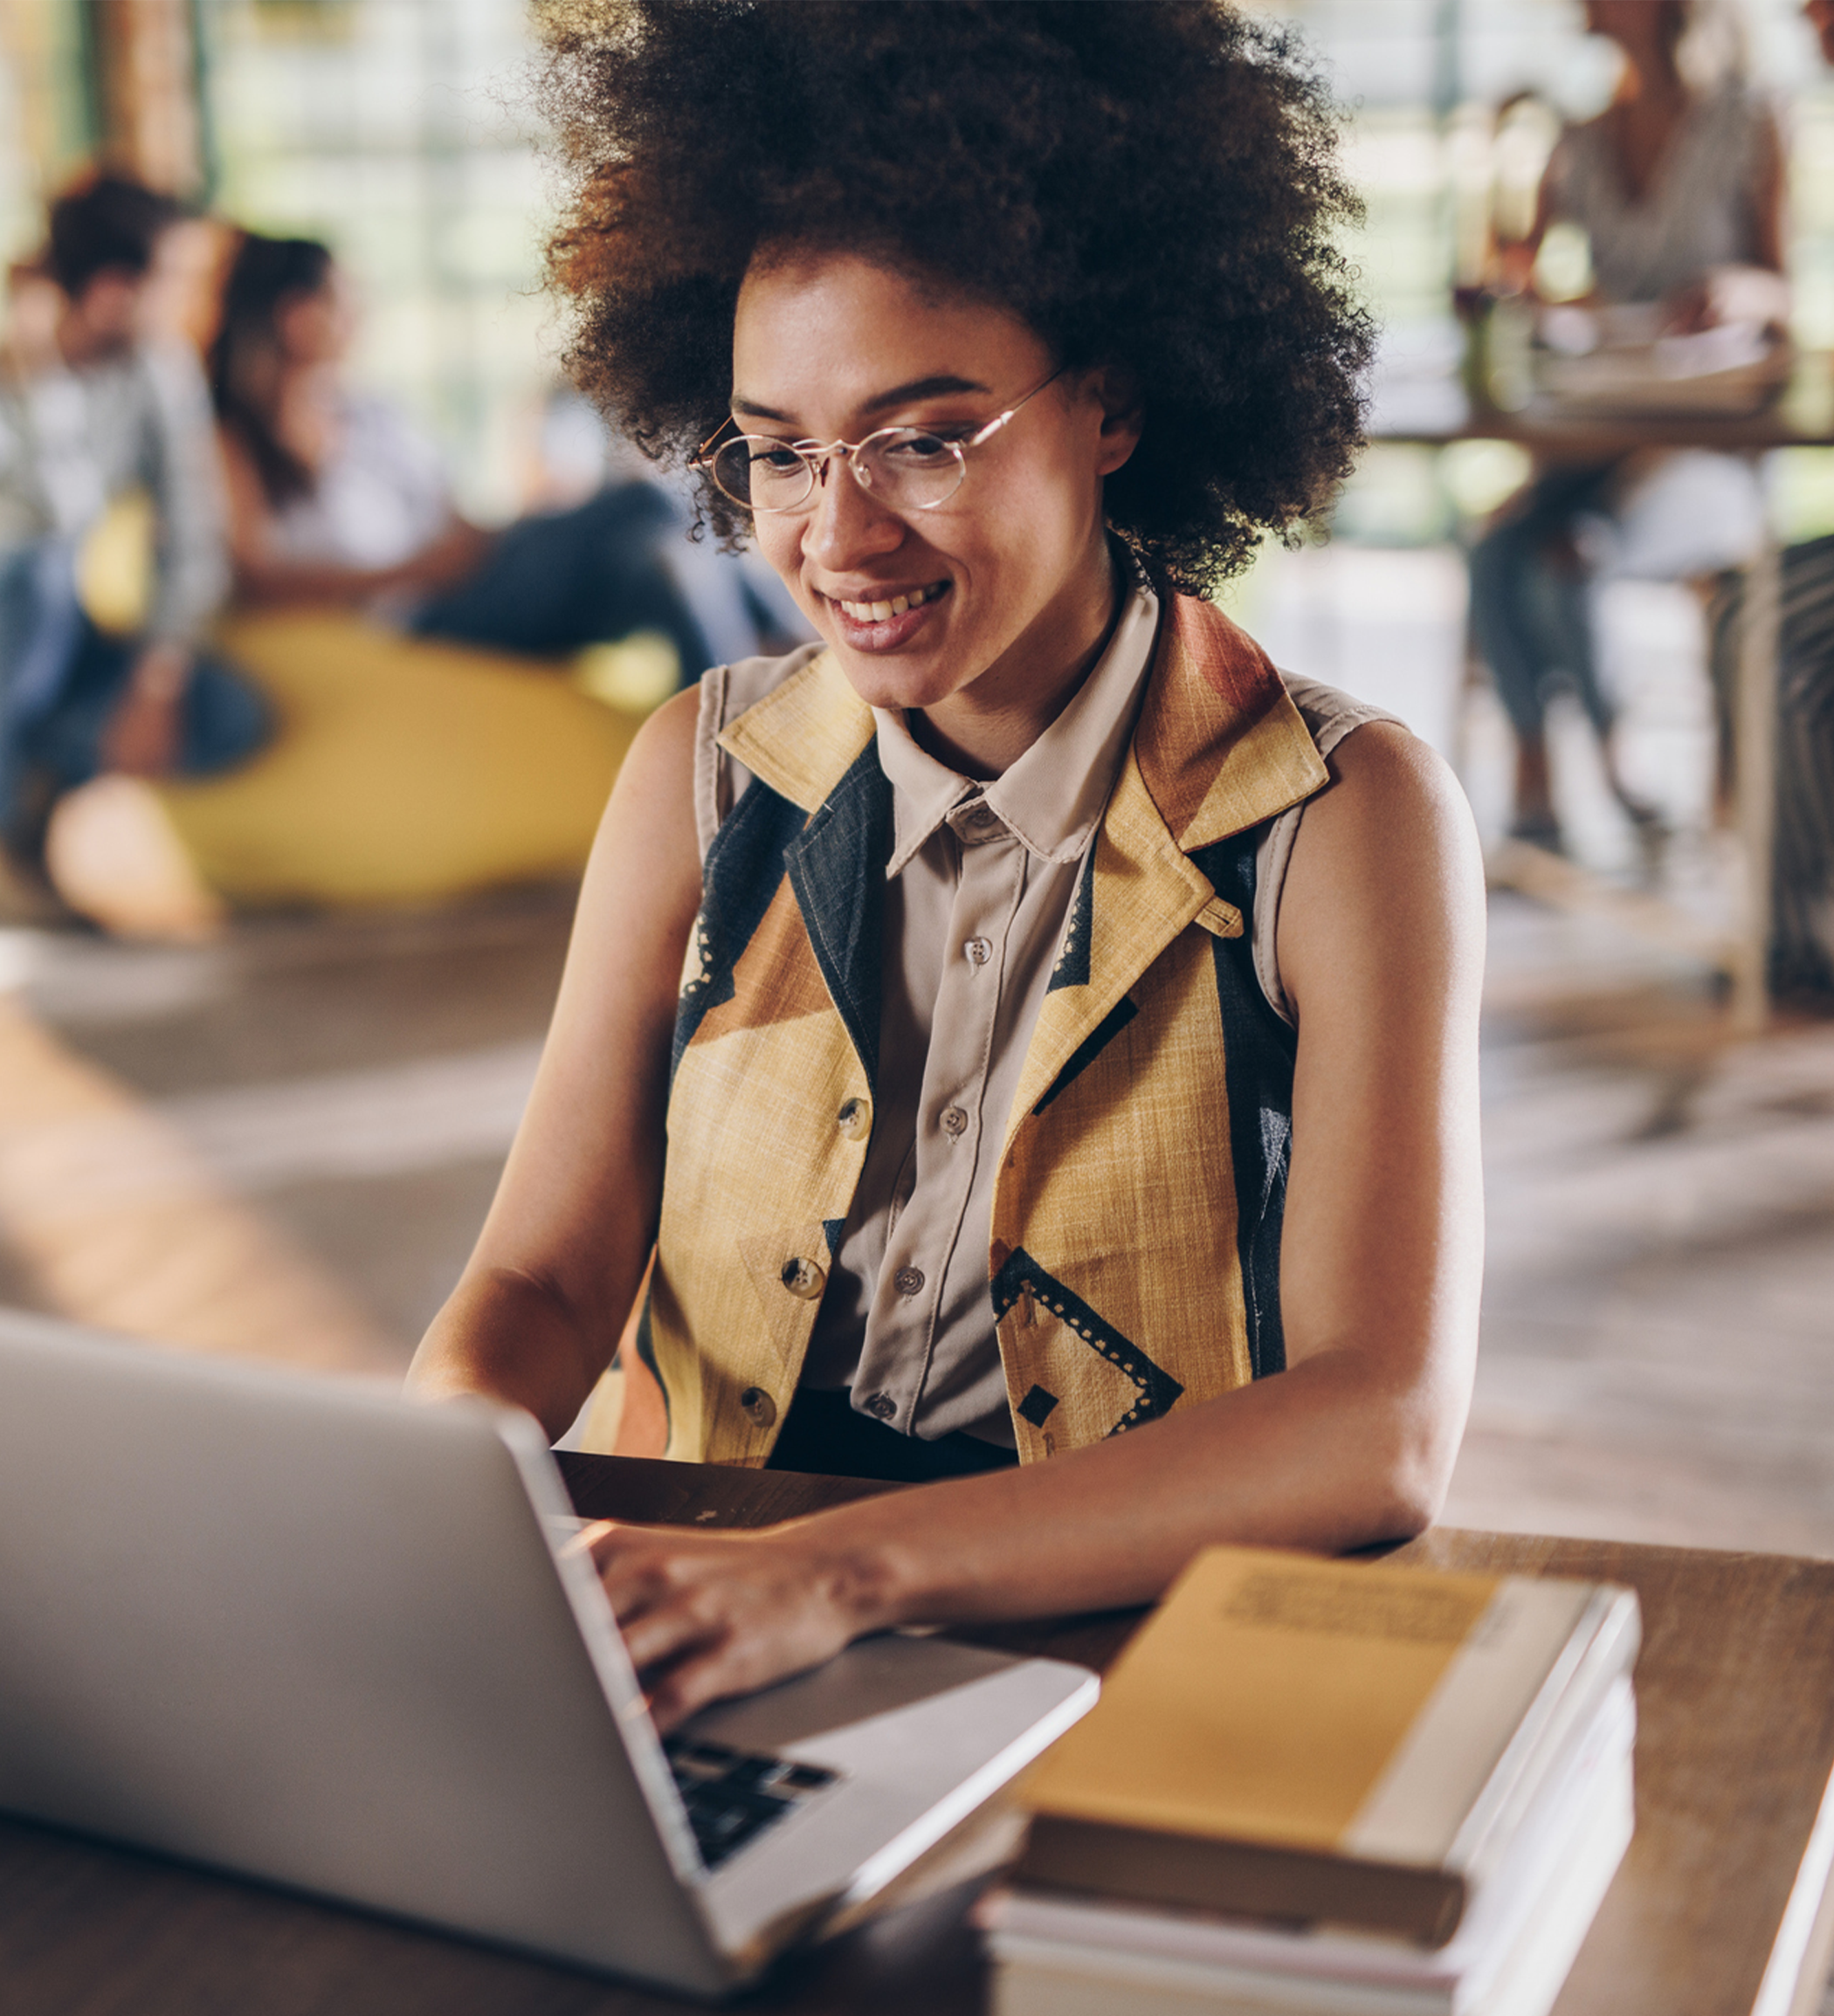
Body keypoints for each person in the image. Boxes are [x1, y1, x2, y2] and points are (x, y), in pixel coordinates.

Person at [408, 0, 1486, 1732]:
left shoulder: (1336, 814)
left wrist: (841, 1569)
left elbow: (1379, 1421)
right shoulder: (701, 771)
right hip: (701, 1618)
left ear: (1115, 402)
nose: (837, 533)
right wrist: (421, 1492)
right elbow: (539, 1284)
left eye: (923, 435)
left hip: (1120, 1626)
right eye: (777, 449)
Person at [1468, 0, 1786, 855]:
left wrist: (1735, 290)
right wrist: (1537, 292)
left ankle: (1618, 766)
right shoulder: (1578, 138)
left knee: (1569, 560)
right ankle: (1536, 786)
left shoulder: (1751, 123)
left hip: (1708, 451)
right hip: (1598, 441)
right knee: (1494, 551)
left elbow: (1783, 290)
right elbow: (1518, 271)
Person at [210, 231, 801, 681]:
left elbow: (453, 523)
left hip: (470, 570)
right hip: (425, 612)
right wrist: (412, 572)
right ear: (295, 317)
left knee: (667, 566)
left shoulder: (370, 413)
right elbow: (257, 577)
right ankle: (800, 650)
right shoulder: (234, 440)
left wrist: (503, 532)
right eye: (343, 299)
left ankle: (775, 720)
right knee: (649, 497)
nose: (360, 313)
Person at [0, 175, 269, 866]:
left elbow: (195, 529)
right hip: (20, 612)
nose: (191, 303)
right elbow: (55, 514)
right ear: (113, 290)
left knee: (229, 716)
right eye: (175, 281)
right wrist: (37, 371)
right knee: (40, 574)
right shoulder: (15, 365)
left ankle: (32, 792)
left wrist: (158, 677)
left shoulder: (159, 367)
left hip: (67, 643)